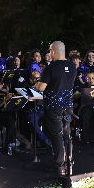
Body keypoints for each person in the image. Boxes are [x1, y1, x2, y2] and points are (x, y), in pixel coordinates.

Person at [35, 41, 77, 175]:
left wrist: (37, 84)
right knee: (67, 135)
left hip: (54, 107)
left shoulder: (51, 67)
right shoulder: (72, 67)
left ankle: (59, 166)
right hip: (68, 106)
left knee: (57, 136)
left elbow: (41, 88)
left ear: (53, 51)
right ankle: (69, 163)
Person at [25, 70, 50, 149]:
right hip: (32, 111)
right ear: (31, 79)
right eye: (35, 78)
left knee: (52, 120)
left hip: (43, 110)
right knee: (33, 122)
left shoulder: (44, 87)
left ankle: (45, 140)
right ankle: (45, 140)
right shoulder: (27, 88)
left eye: (39, 78)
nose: (37, 80)